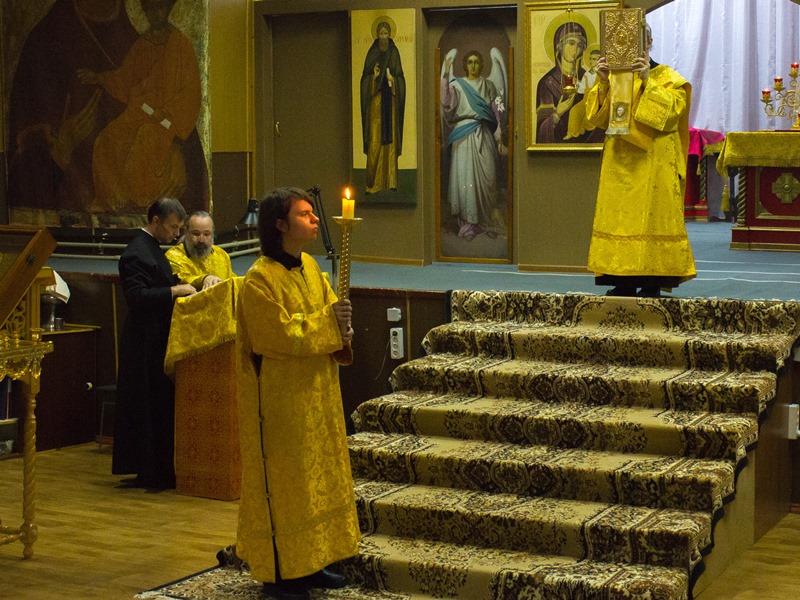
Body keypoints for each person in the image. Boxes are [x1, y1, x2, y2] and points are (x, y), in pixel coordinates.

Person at [233, 187, 360, 598]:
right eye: (305, 214)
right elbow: (279, 336)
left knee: (313, 482)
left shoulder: (311, 267)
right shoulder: (258, 280)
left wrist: (343, 327)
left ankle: (311, 561)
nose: (315, 219)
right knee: (287, 485)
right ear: (280, 225)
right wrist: (329, 322)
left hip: (317, 395)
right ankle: (281, 575)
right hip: (280, 402)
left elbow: (331, 324)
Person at [585, 24, 696, 298]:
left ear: (649, 41)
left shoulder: (668, 78)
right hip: (619, 164)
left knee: (651, 220)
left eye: (636, 39)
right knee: (619, 221)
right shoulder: (615, 78)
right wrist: (602, 81)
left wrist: (648, 81)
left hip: (653, 164)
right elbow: (596, 119)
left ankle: (651, 282)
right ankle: (621, 280)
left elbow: (670, 116)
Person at [77, 0, 202, 213]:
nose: (156, 14)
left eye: (160, 8)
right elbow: (126, 78)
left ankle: (141, 201)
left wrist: (168, 112)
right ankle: (109, 200)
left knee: (145, 137)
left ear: (168, 9)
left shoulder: (180, 45)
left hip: (166, 120)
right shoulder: (142, 45)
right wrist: (99, 78)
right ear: (145, 12)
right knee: (106, 140)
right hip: (141, 111)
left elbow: (191, 92)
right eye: (151, 10)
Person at [113, 198, 196, 488]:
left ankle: (158, 469)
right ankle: (148, 470)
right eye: (173, 227)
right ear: (156, 221)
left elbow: (163, 281)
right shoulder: (135, 252)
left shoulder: (153, 249)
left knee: (157, 403)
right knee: (146, 404)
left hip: (156, 336)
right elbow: (137, 297)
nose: (176, 234)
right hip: (143, 340)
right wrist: (175, 290)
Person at [441, 50, 507, 241]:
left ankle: (487, 221)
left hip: (484, 133)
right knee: (465, 179)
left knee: (489, 179)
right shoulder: (457, 85)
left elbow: (496, 115)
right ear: (465, 65)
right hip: (463, 136)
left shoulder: (489, 85)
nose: (473, 65)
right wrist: (446, 74)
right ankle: (468, 225)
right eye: (469, 62)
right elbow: (445, 102)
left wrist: (499, 140)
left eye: (476, 62)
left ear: (481, 64)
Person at [536, 22, 604, 144]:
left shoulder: (588, 76)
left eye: (580, 45)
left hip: (588, 144)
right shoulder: (547, 83)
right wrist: (557, 113)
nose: (575, 49)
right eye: (571, 43)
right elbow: (541, 131)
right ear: (559, 46)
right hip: (557, 148)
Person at [360, 20, 406, 194]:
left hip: (390, 103)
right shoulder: (372, 53)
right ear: (377, 35)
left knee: (390, 143)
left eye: (386, 34)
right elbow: (364, 80)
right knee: (375, 141)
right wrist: (374, 77)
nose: (384, 37)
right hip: (376, 102)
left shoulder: (394, 52)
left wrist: (393, 80)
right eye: (381, 34)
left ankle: (390, 181)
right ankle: (372, 184)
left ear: (390, 35)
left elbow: (400, 77)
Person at [166, 211, 233, 290]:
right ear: (186, 232)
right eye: (196, 234)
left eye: (206, 234)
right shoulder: (174, 256)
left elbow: (232, 282)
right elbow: (182, 278)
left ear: (212, 233)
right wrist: (204, 279)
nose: (201, 240)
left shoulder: (221, 254)